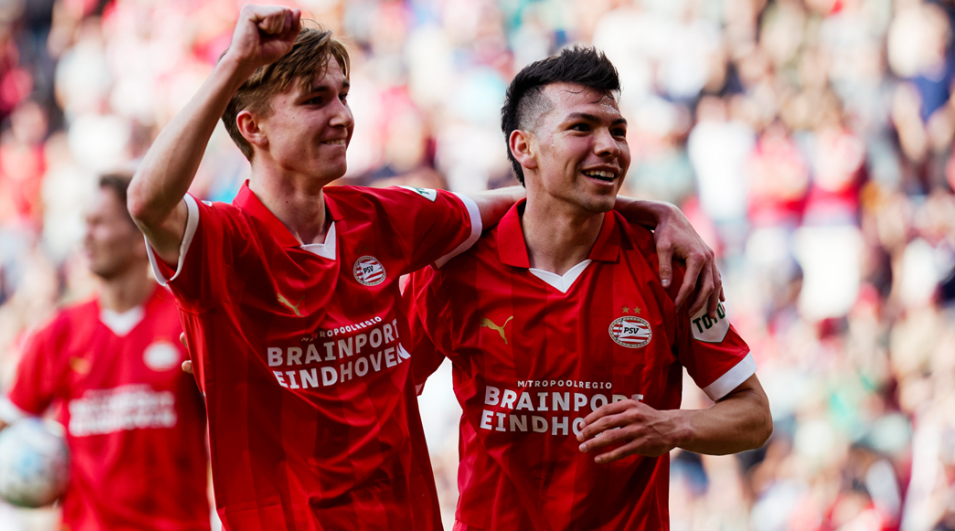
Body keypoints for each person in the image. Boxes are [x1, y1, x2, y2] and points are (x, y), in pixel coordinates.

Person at [128, 6, 724, 530]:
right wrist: (234, 63)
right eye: (316, 100)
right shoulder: (223, 245)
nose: (342, 115)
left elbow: (536, 197)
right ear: (251, 128)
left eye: (343, 95)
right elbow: (148, 202)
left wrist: (656, 211)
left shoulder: (385, 217)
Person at [406, 47, 773, 530]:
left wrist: (669, 426)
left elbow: (753, 414)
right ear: (524, 147)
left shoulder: (670, 266)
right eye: (582, 128)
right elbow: (389, 396)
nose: (609, 146)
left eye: (618, 131)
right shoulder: (453, 270)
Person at [0, 175, 211, 531]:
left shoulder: (184, 322)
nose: (85, 236)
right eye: (84, 223)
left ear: (137, 236)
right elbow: (5, 417)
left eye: (99, 224)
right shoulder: (59, 332)